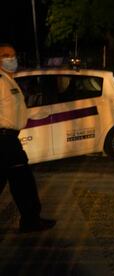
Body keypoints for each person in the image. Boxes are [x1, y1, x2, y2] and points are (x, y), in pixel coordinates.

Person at [0, 43, 56, 233]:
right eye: (6, 55)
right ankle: (31, 220)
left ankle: (30, 220)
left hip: (9, 138)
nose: (11, 59)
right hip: (4, 140)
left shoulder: (9, 80)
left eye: (13, 55)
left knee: (17, 180)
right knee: (23, 180)